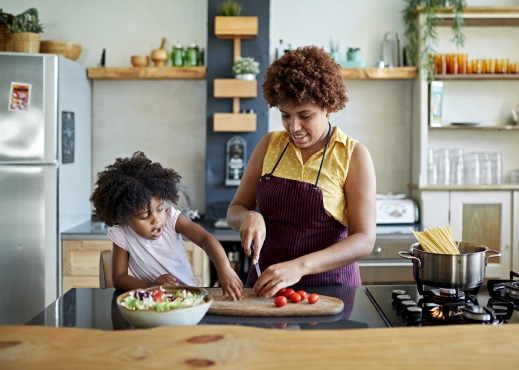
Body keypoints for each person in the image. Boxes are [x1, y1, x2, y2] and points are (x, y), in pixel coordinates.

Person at [226, 46, 376, 298]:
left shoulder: (352, 154)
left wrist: (299, 267)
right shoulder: (269, 145)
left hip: (330, 292)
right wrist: (249, 216)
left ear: (328, 106)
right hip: (267, 287)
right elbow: (234, 210)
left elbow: (364, 239)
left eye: (305, 115)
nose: (293, 127)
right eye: (285, 115)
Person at [90, 151, 244, 300]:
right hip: (153, 301)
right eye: (144, 216)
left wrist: (224, 268)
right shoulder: (122, 233)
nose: (156, 219)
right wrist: (151, 285)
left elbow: (205, 238)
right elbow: (119, 278)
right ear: (124, 219)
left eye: (160, 209)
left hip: (191, 296)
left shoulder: (171, 220)